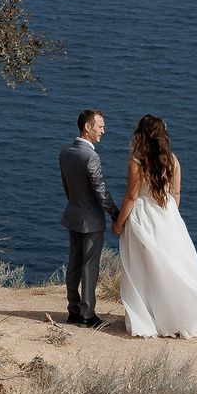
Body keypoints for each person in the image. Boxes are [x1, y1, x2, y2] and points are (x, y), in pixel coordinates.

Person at [111, 113, 197, 339]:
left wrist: (118, 224)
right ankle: (178, 314)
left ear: (141, 135)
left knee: (145, 269)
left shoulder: (137, 163)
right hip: (168, 215)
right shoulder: (172, 160)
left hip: (143, 218)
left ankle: (151, 316)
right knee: (173, 266)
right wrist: (171, 217)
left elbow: (131, 197)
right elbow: (176, 194)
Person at [57, 108, 118, 328]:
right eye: (100, 126)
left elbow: (66, 186)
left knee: (73, 264)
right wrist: (114, 212)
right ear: (87, 127)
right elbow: (100, 190)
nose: (103, 130)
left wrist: (75, 203)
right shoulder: (90, 155)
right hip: (90, 219)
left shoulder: (66, 151)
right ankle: (87, 315)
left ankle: (73, 311)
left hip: (73, 214)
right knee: (89, 267)